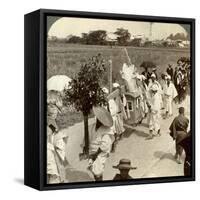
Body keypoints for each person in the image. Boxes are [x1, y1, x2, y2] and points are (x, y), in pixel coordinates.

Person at [87, 106, 114, 181]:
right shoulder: (91, 127)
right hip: (91, 151)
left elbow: (105, 146)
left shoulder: (107, 131)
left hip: (100, 153)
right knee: (93, 169)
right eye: (98, 119)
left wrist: (95, 154)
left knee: (98, 171)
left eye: (101, 121)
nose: (99, 121)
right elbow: (87, 137)